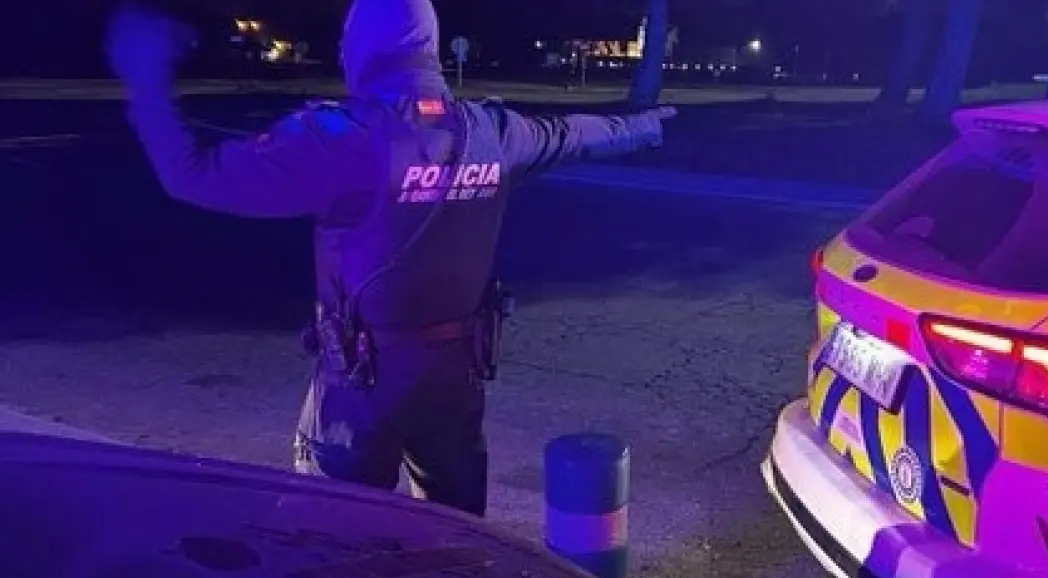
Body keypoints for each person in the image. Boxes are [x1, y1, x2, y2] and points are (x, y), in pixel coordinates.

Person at [106, 0, 676, 517]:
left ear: (363, 47)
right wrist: (643, 127)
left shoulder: (340, 139)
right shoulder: (490, 131)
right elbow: (571, 133)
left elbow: (191, 174)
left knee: (340, 547)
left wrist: (144, 77)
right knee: (456, 543)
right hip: (455, 380)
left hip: (361, 387)